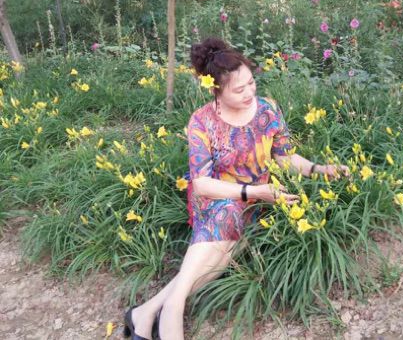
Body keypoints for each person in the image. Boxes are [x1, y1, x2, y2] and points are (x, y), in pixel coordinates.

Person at [124, 37, 350, 340]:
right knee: (228, 214)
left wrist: (320, 170)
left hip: (258, 200)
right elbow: (201, 184)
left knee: (221, 251)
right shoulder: (202, 121)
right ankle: (173, 308)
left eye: (251, 83)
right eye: (239, 89)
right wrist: (253, 192)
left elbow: (284, 158)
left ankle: (147, 310)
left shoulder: (268, 109)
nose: (250, 92)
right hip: (217, 197)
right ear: (216, 90)